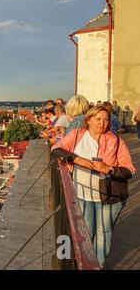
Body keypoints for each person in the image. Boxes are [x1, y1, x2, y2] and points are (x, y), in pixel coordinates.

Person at [51, 106, 136, 267]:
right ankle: (85, 262)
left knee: (104, 234)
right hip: (82, 194)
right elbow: (56, 149)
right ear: (88, 120)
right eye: (98, 119)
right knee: (86, 233)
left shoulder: (115, 140)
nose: (102, 123)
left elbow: (130, 169)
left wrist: (109, 169)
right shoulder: (77, 135)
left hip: (108, 195)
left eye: (106, 120)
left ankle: (97, 265)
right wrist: (77, 159)